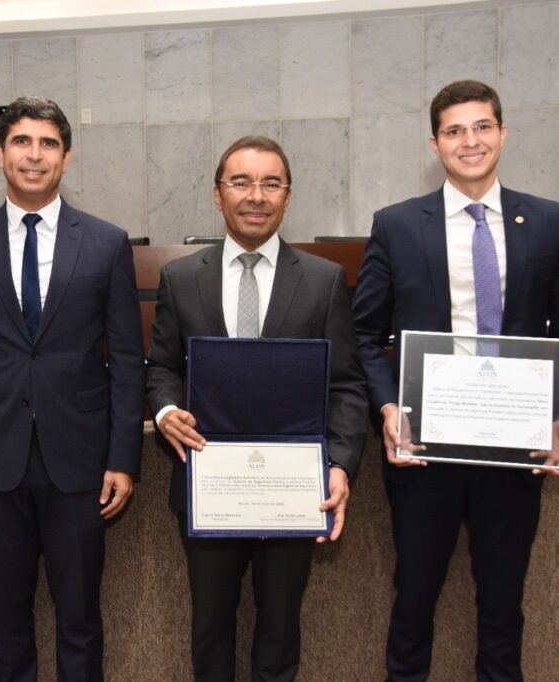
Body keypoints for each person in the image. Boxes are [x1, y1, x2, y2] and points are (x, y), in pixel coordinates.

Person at [352, 80, 559, 681]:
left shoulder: (547, 222)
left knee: (503, 605)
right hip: (424, 449)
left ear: (503, 133)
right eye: (455, 130)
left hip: (517, 446)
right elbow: (363, 335)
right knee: (413, 600)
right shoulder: (397, 226)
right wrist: (387, 409)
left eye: (482, 126)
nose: (470, 141)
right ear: (435, 144)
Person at [0, 96, 145, 681]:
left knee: (80, 618)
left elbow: (128, 360)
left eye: (48, 143)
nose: (34, 154)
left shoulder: (105, 242)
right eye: (22, 141)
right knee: (5, 621)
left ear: (66, 158)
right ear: (0, 154)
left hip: (81, 461)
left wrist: (123, 458)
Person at [146, 136, 368, 681]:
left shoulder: (323, 281)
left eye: (271, 183)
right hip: (210, 483)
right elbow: (161, 368)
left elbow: (346, 385)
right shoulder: (181, 278)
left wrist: (340, 465)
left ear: (287, 196)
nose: (256, 195)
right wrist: (166, 411)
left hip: (293, 490)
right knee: (210, 627)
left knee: (279, 630)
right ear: (217, 194)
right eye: (241, 182)